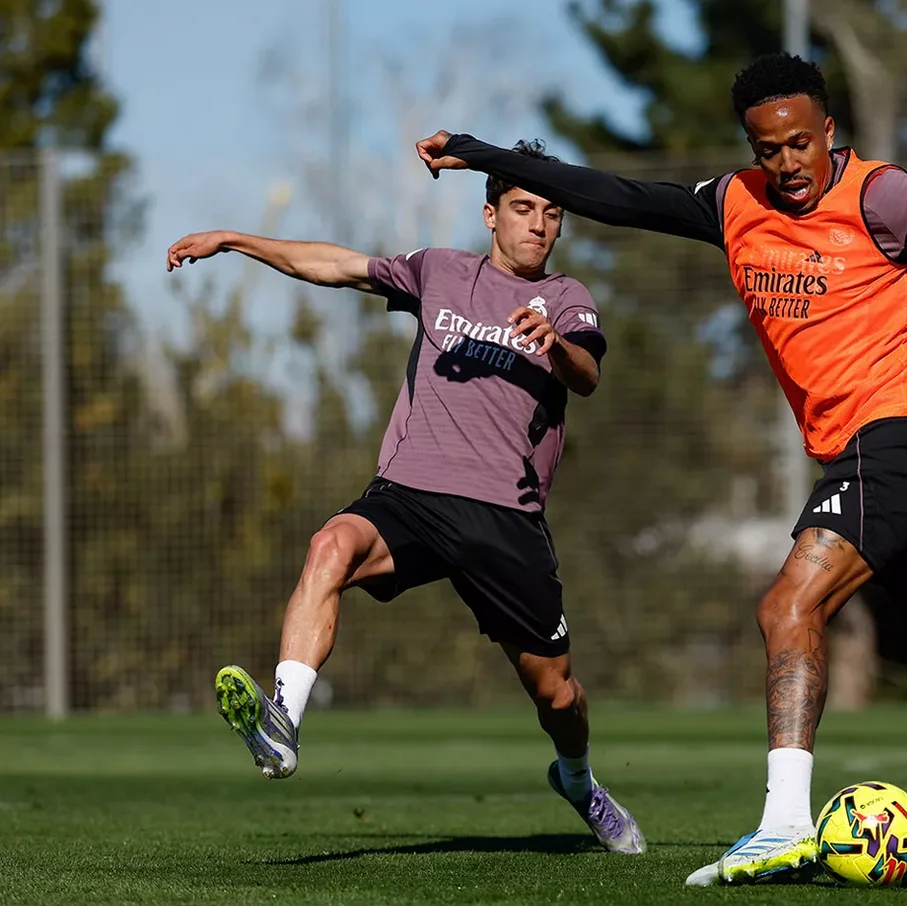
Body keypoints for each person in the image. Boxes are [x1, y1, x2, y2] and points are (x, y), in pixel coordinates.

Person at [414, 53, 907, 885]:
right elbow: (613, 194)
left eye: (801, 143)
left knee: (786, 604)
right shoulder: (734, 203)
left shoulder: (885, 199)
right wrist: (481, 152)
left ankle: (782, 824)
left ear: (829, 131)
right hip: (863, 458)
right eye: (769, 149)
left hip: (903, 435)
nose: (788, 165)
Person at [164, 140, 644, 855]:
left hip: (504, 520)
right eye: (523, 208)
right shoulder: (439, 271)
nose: (539, 225)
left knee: (558, 694)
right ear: (490, 214)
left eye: (551, 212)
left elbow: (587, 375)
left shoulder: (567, 299)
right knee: (329, 545)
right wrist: (236, 239)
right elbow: (334, 266)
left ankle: (578, 780)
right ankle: (283, 725)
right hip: (410, 493)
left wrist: (554, 344)